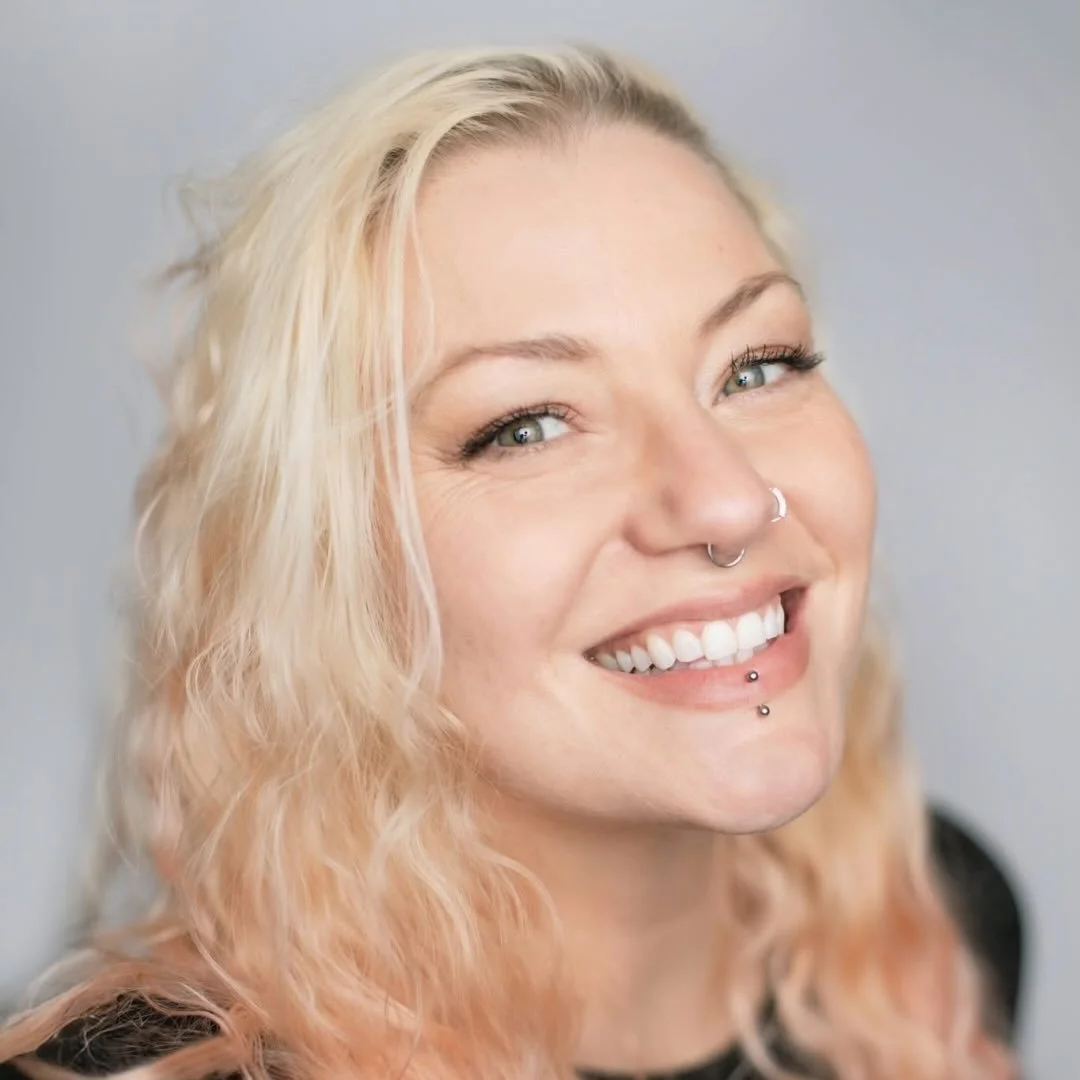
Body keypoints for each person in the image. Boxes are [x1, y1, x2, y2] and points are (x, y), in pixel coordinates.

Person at [0, 44, 1023, 1080]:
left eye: (757, 366)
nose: (722, 496)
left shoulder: (933, 921)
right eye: (529, 426)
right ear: (330, 564)